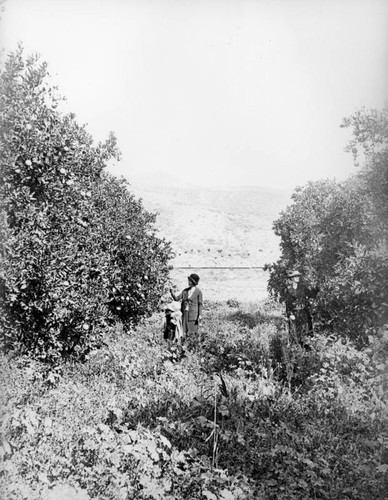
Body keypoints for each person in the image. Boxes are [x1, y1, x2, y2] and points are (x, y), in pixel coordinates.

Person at [284, 270, 318, 345]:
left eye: (298, 276)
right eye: (295, 276)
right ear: (292, 278)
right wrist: (289, 314)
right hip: (294, 315)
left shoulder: (303, 288)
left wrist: (316, 287)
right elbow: (288, 304)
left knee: (306, 334)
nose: (297, 278)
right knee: (295, 335)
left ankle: (308, 350)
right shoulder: (288, 290)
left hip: (304, 314)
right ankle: (296, 351)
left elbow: (311, 294)